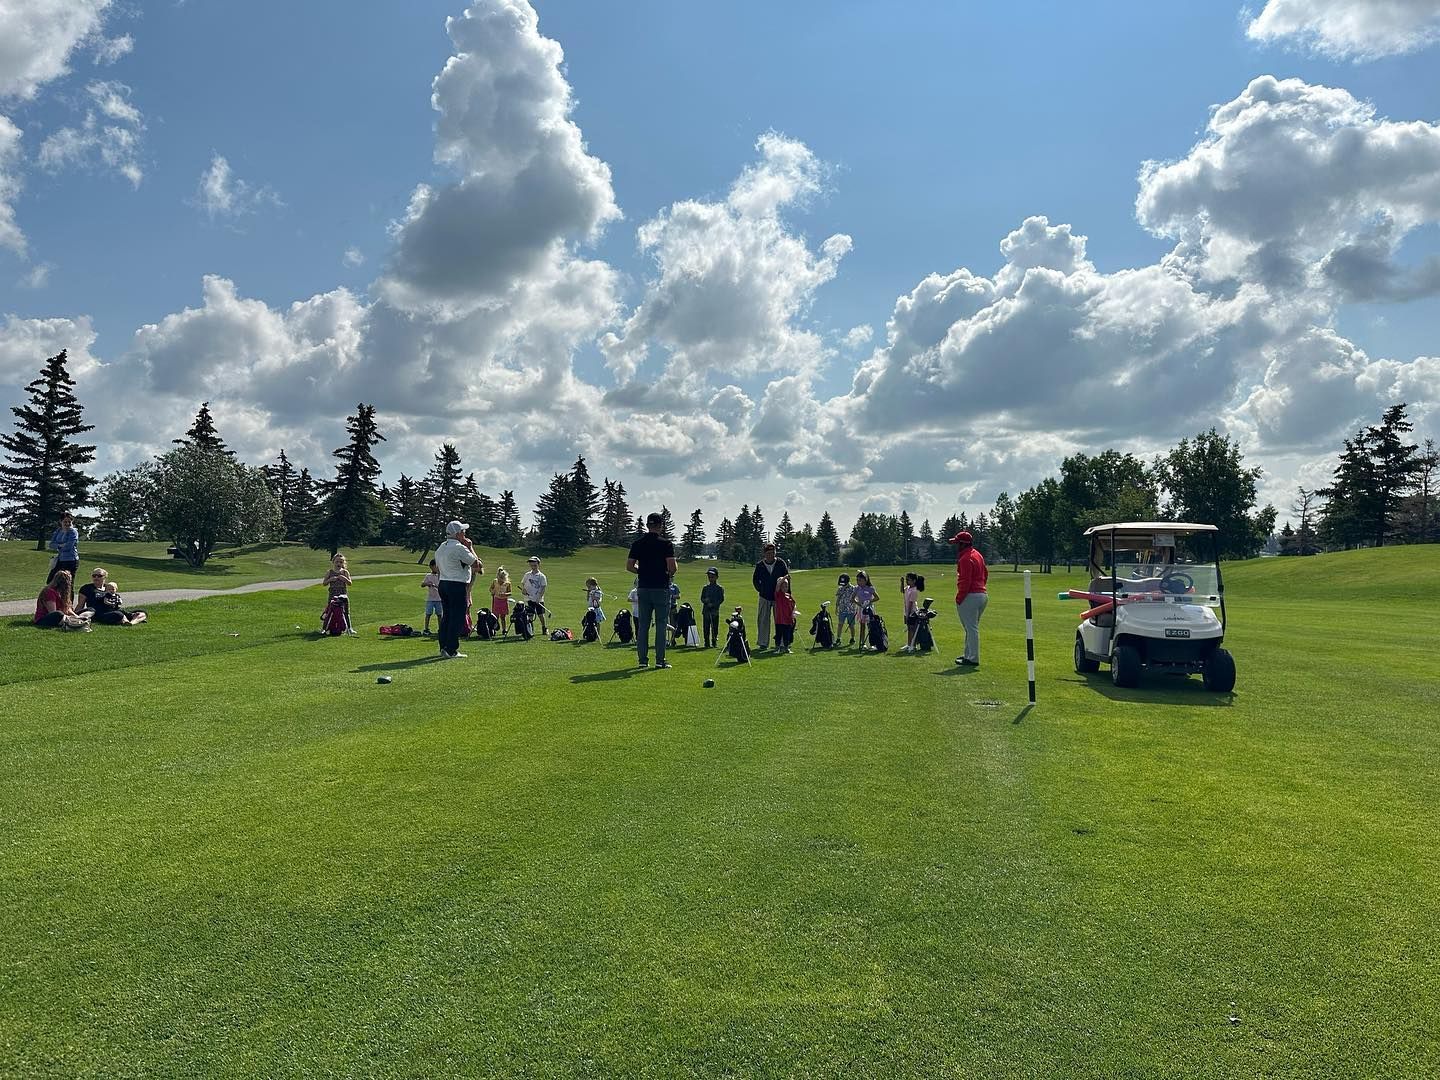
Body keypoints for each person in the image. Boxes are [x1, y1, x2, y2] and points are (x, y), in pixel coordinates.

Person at [626, 511, 678, 669]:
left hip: (643, 587)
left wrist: (641, 571)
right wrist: (669, 572)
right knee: (661, 624)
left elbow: (629, 566)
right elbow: (672, 567)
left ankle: (642, 660)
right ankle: (660, 660)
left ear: (648, 525)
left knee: (643, 625)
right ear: (660, 526)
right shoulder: (666, 544)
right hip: (661, 587)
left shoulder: (638, 544)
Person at [435, 521, 480, 659]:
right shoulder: (460, 548)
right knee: (457, 618)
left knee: (447, 616)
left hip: (443, 583)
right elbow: (477, 564)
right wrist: (470, 547)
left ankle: (444, 647)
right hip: (457, 585)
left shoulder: (441, 547)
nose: (465, 533)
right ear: (458, 534)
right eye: (463, 531)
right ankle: (451, 649)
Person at [952, 530, 989, 666]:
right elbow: (985, 573)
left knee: (971, 628)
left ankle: (973, 658)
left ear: (962, 544)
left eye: (957, 543)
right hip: (982, 595)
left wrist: (960, 597)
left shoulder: (965, 558)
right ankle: (968, 655)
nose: (956, 546)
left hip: (971, 596)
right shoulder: (977, 554)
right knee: (971, 627)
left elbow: (965, 581)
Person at [751, 542, 790, 650]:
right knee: (763, 620)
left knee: (781, 620)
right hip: (764, 596)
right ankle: (763, 643)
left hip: (780, 597)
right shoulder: (760, 565)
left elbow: (786, 579)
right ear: (764, 554)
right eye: (768, 553)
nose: (770, 555)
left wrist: (787, 595)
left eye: (773, 553)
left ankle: (782, 643)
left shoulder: (781, 563)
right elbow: (755, 580)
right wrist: (761, 589)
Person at [323, 554, 357, 635]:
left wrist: (344, 579)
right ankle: (324, 629)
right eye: (337, 561)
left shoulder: (345, 572)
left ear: (343, 563)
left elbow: (350, 583)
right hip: (332, 594)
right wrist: (331, 579)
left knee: (345, 612)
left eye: (341, 562)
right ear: (333, 562)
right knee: (329, 611)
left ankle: (349, 628)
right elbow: (324, 583)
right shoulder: (330, 572)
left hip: (343, 595)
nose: (339, 563)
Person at [48, 512, 80, 585]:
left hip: (70, 560)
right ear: (61, 522)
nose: (67, 523)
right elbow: (51, 544)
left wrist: (58, 546)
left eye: (69, 522)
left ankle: (68, 596)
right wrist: (60, 545)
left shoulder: (73, 532)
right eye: (65, 522)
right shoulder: (58, 531)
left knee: (67, 584)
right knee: (51, 581)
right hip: (60, 559)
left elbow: (69, 547)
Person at [521, 556, 549, 635]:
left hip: (538, 599)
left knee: (540, 615)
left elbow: (543, 588)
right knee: (530, 615)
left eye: (534, 565)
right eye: (531, 565)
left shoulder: (542, 576)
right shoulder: (527, 575)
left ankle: (544, 628)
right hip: (529, 598)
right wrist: (524, 590)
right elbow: (523, 583)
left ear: (538, 564)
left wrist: (539, 598)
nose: (533, 566)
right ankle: (530, 630)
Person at [700, 567, 724, 648]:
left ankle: (714, 642)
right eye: (709, 577)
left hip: (715, 611)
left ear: (716, 577)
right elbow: (702, 598)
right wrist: (705, 600)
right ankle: (706, 642)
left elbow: (721, 599)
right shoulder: (705, 588)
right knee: (706, 627)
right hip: (706, 610)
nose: (710, 578)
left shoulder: (719, 588)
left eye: (712, 577)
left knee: (714, 627)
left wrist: (713, 605)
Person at [772, 575, 798, 653]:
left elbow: (794, 605)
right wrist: (785, 578)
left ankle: (786, 648)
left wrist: (794, 613)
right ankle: (777, 648)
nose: (785, 587)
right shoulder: (778, 595)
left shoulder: (789, 596)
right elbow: (777, 585)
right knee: (779, 635)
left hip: (788, 619)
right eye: (783, 586)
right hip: (780, 619)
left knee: (787, 635)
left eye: (786, 586)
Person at [853, 570, 877, 649]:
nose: (858, 582)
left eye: (860, 580)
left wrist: (869, 601)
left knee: (871, 626)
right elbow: (852, 599)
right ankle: (862, 643)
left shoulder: (870, 588)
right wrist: (859, 604)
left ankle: (872, 643)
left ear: (865, 580)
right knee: (862, 626)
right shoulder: (857, 588)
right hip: (861, 609)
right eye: (857, 580)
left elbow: (877, 598)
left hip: (869, 609)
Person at [899, 572, 922, 653]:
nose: (907, 581)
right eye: (906, 580)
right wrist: (901, 582)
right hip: (907, 611)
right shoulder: (908, 588)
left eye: (908, 580)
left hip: (912, 612)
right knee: (909, 628)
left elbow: (911, 604)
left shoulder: (914, 590)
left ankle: (913, 645)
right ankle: (909, 644)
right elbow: (902, 591)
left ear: (914, 581)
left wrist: (908, 615)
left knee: (913, 629)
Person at [834, 573, 858, 647]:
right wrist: (836, 607)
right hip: (842, 609)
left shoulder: (853, 588)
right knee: (840, 624)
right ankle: (838, 638)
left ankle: (852, 638)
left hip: (851, 610)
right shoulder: (840, 588)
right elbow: (838, 598)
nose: (842, 585)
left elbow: (856, 598)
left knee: (851, 625)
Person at [420, 560, 442, 635]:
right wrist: (427, 583)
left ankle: (441, 629)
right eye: (435, 566)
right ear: (431, 567)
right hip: (430, 599)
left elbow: (442, 586)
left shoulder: (440, 576)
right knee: (428, 614)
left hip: (439, 599)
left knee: (439, 615)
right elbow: (422, 584)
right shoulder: (428, 576)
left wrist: (436, 586)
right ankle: (426, 629)